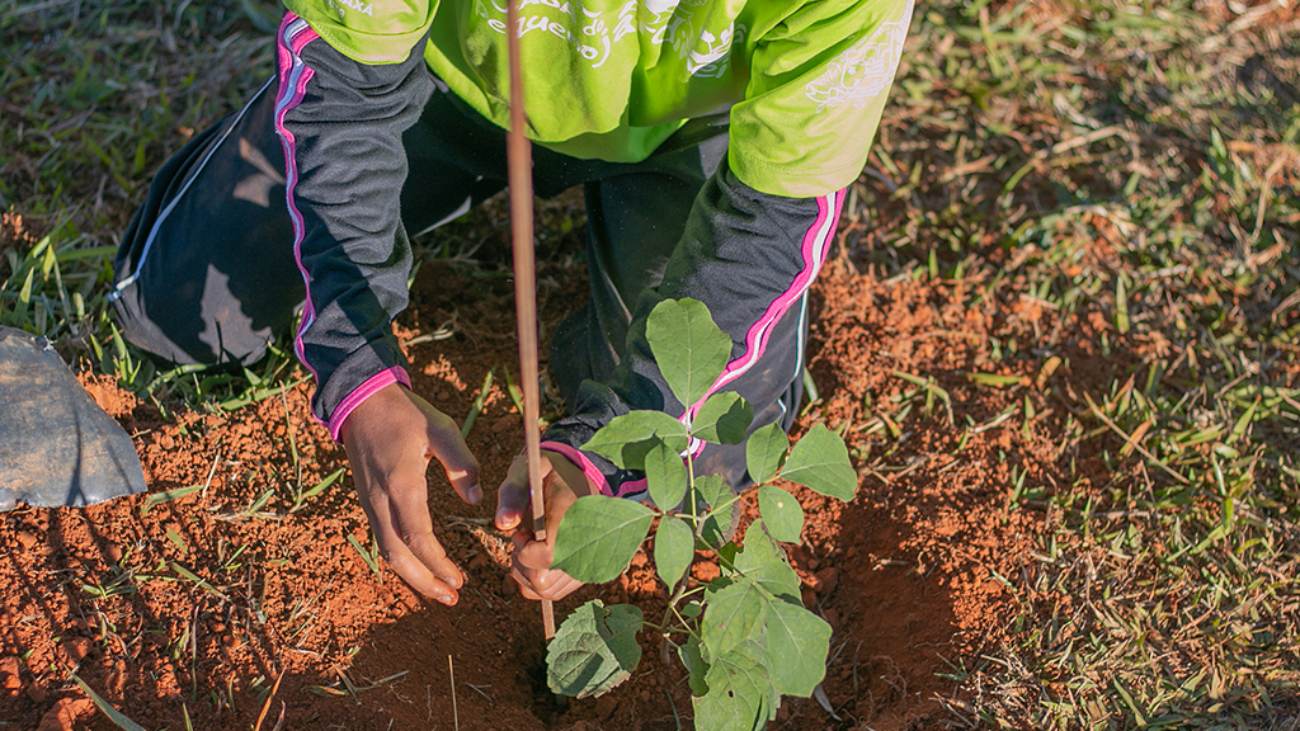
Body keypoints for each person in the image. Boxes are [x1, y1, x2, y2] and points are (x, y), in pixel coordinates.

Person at [110, 0, 914, 607]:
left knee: (697, 470)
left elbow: (769, 224)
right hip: (444, 83)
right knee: (179, 313)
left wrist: (597, 455)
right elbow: (345, 88)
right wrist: (355, 366)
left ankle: (616, 326)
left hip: (693, 134)